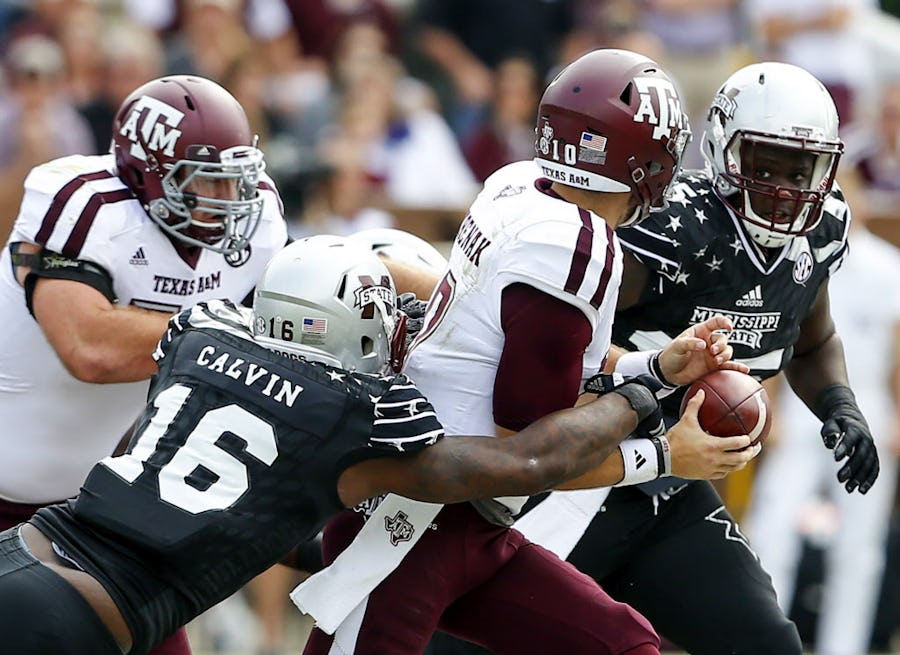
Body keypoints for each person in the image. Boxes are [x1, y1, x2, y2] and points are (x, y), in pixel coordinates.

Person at [0, 234, 675, 655]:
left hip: (23, 552)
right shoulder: (349, 413)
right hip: (71, 623)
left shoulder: (201, 335)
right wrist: (648, 389)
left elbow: (174, 476)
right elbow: (528, 460)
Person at [300, 48, 758, 655]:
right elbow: (532, 457)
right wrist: (666, 455)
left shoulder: (519, 185)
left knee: (627, 646)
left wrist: (655, 366)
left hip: (473, 522)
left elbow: (525, 349)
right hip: (414, 519)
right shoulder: (572, 248)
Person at [511, 61, 880, 655]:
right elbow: (561, 342)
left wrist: (841, 405)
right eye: (766, 164)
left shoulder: (822, 231)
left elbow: (811, 340)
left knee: (765, 644)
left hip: (671, 489)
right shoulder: (669, 228)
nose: (786, 188)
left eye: (801, 168)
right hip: (580, 478)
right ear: (725, 152)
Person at [0, 74, 289, 655]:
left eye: (235, 179)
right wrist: (229, 332)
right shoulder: (82, 200)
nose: (229, 199)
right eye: (206, 178)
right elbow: (91, 349)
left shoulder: (257, 224)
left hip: (99, 504)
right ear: (145, 172)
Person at [745, 169, 900, 655]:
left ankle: (844, 649)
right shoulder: (798, 258)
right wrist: (768, 403)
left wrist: (897, 414)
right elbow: (771, 331)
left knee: (860, 547)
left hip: (870, 402)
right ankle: (763, 642)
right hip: (800, 399)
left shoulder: (888, 265)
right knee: (769, 526)